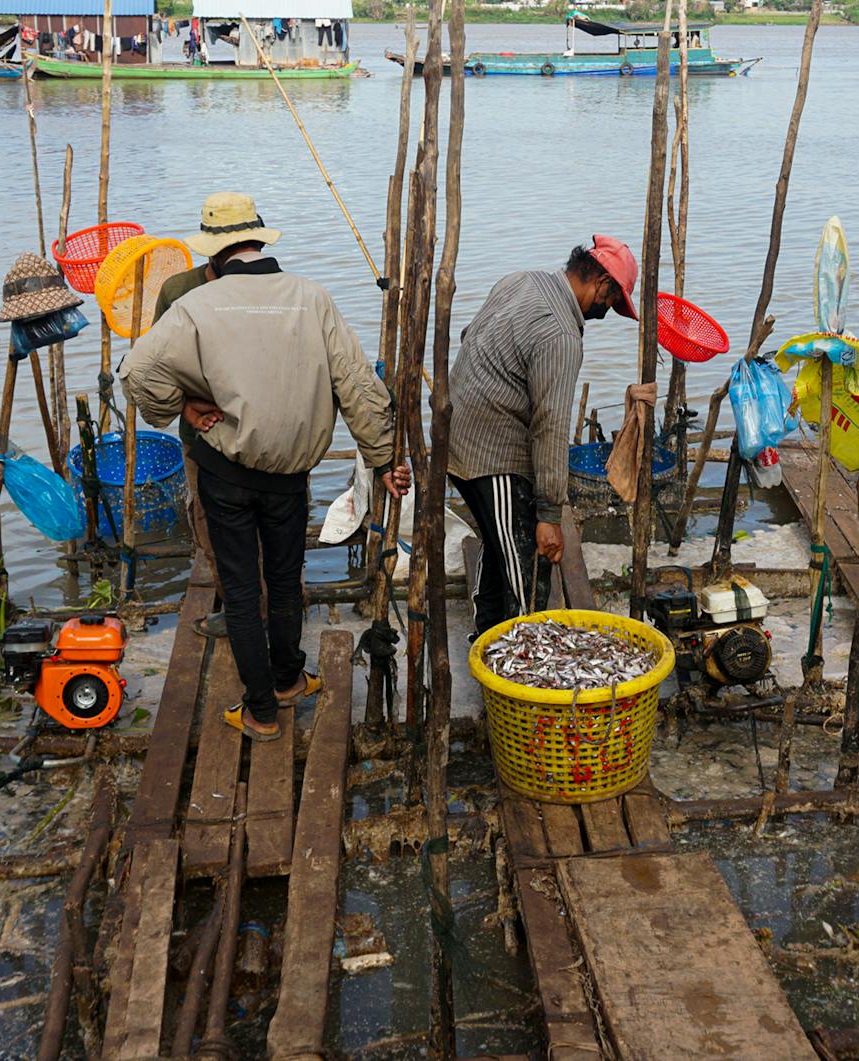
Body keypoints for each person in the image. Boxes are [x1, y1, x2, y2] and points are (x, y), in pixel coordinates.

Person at [121, 192, 410, 741]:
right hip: (289, 478)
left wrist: (179, 407)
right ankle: (285, 681)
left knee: (241, 587)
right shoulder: (311, 298)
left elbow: (136, 374)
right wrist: (384, 459)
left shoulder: (195, 304)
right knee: (282, 581)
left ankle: (260, 710)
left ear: (212, 258)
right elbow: (358, 388)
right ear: (259, 244)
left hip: (224, 474)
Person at [447, 235, 638, 634]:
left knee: (500, 544)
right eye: (613, 300)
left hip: (456, 434)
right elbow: (551, 425)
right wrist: (549, 514)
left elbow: (470, 335)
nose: (608, 311)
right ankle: (520, 659)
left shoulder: (522, 280)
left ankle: (486, 637)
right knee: (527, 571)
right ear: (600, 282)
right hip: (491, 454)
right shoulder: (561, 336)